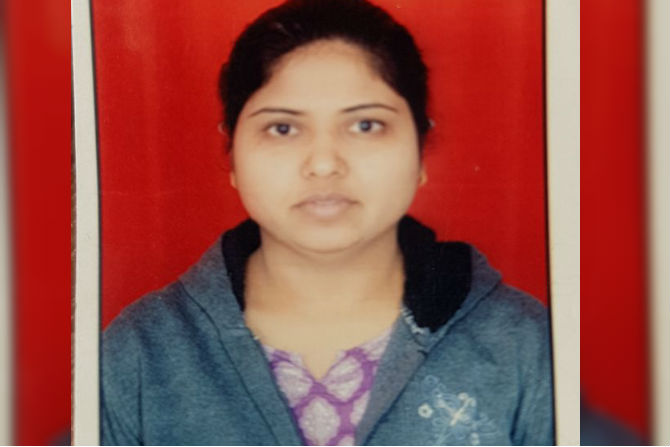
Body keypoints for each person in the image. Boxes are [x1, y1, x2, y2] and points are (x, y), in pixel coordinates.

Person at [101, 0, 554, 445]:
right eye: (282, 128)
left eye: (366, 125)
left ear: (420, 149)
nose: (323, 164)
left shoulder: (524, 344)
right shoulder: (139, 354)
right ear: (232, 153)